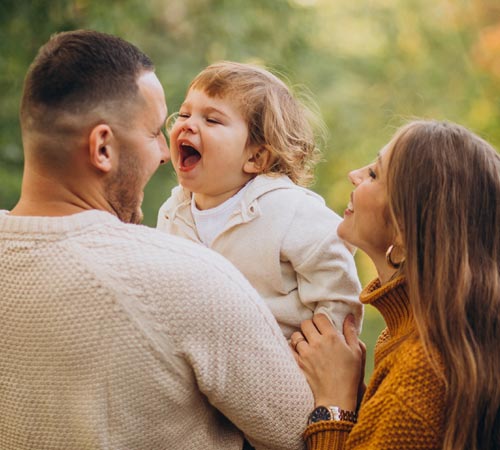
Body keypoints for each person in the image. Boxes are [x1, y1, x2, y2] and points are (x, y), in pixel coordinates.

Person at [0, 30, 315, 450]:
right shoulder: (189, 280)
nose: (165, 153)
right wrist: (338, 399)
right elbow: (303, 436)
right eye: (153, 133)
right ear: (103, 149)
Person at [290, 119, 500, 450]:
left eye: (373, 174)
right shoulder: (416, 335)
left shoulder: (418, 379)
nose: (354, 175)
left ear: (402, 233)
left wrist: (335, 405)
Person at [157, 61, 363, 339]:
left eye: (212, 119)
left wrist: (324, 350)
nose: (188, 125)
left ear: (256, 157)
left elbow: (336, 279)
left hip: (279, 366)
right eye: (183, 114)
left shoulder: (288, 209)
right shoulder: (173, 213)